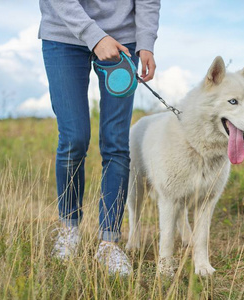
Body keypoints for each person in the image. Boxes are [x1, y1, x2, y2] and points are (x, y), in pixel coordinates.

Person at [38, 0, 161, 276]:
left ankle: (109, 241)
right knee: (74, 138)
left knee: (116, 143)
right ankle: (69, 228)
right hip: (63, 35)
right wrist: (95, 37)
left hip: (123, 40)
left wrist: (146, 41)